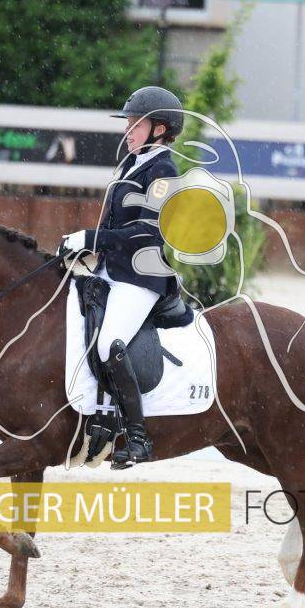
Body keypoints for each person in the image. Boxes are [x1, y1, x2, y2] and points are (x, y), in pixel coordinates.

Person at [58, 86, 184, 469]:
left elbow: (148, 232)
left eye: (135, 124)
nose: (127, 131)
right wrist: (87, 249)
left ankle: (138, 438)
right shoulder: (131, 164)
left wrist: (92, 238)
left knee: (109, 344)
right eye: (127, 123)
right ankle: (95, 415)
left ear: (159, 129)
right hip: (111, 271)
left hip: (141, 278)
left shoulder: (164, 172)